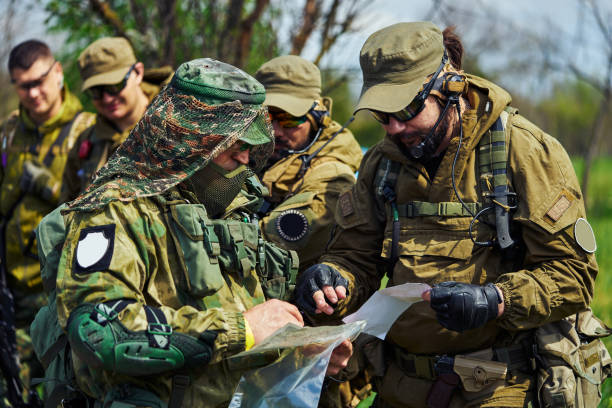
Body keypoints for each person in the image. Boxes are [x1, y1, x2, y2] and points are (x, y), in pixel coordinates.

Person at [294, 22, 608, 407]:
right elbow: (354, 258)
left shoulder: (523, 151)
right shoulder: (383, 164)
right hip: (400, 383)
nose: (394, 127)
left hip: (499, 386)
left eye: (406, 109)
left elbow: (573, 276)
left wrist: (495, 299)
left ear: (450, 85)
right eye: (382, 114)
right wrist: (333, 278)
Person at [46, 58, 351, 408]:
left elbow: (241, 328)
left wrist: (301, 348)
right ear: (188, 140)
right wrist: (243, 329)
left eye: (250, 148)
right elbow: (99, 331)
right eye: (234, 146)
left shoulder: (225, 205)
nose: (246, 161)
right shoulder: (116, 210)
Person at [0, 39, 94, 404]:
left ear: (58, 72)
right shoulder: (9, 131)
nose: (34, 92)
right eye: (24, 85)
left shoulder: (86, 130)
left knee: (58, 392)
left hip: (59, 292)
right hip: (13, 288)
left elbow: (95, 209)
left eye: (40, 80)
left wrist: (48, 185)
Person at [254, 55, 363, 271]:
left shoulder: (332, 176)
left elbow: (273, 248)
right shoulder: (254, 155)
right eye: (266, 118)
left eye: (289, 119)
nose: (275, 131)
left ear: (317, 116)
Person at [60, 36, 173, 203]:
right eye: (96, 91)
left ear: (138, 73)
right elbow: (65, 211)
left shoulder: (175, 124)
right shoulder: (85, 143)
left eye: (114, 86)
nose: (107, 99)